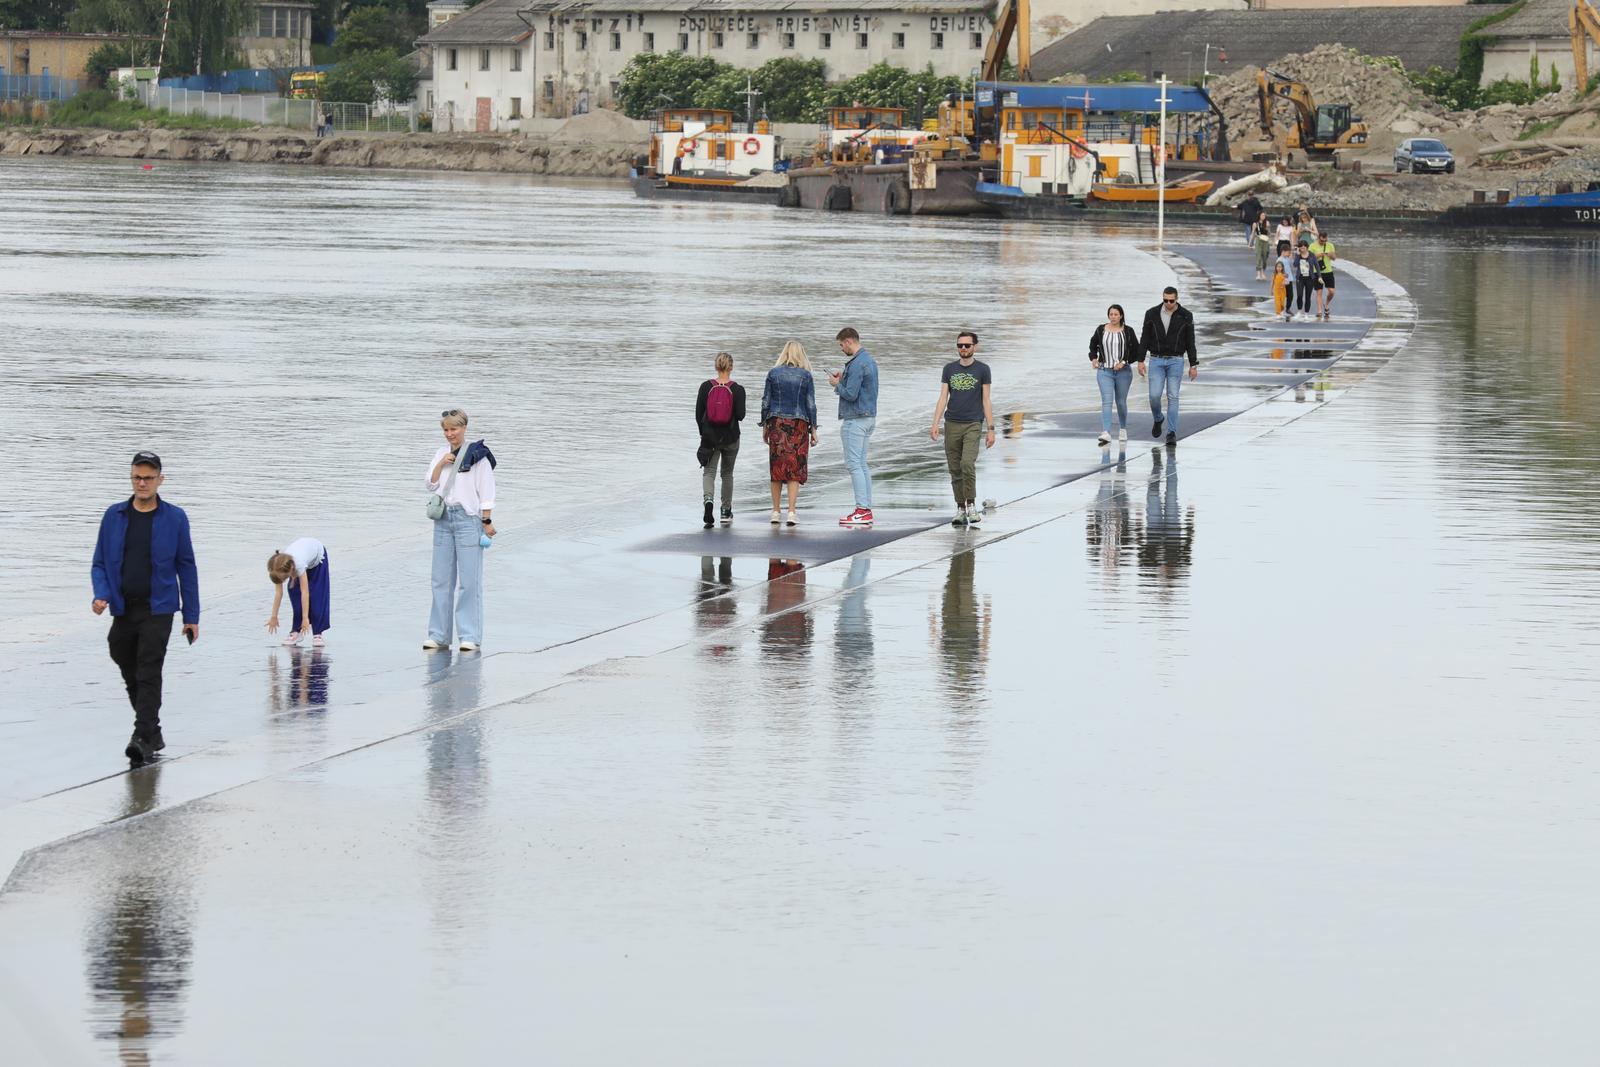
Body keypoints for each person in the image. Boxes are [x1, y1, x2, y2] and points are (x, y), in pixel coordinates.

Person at [90, 451, 200, 764]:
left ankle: (141, 737)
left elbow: (186, 566)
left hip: (160, 608)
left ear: (160, 480)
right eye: (137, 477)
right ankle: (153, 730)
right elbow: (99, 563)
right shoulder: (114, 515)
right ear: (131, 478)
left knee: (149, 668)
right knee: (121, 655)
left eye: (148, 478)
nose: (142, 483)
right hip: (124, 607)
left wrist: (191, 616)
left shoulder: (174, 517)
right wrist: (101, 595)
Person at [425, 408, 497, 652]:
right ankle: (438, 635)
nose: (449, 434)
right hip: (443, 518)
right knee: (440, 580)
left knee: (469, 581)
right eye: (445, 429)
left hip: (468, 519)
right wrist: (441, 464)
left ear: (464, 428)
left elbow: (486, 491)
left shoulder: (478, 455)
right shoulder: (440, 453)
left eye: (453, 429)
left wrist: (486, 522)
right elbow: (430, 484)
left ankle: (470, 636)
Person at [929, 329, 995, 527]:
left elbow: (986, 399)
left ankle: (972, 505)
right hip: (951, 423)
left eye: (967, 345)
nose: (963, 349)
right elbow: (943, 398)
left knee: (967, 463)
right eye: (960, 345)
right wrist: (935, 423)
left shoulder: (983, 369)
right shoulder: (949, 369)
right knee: (955, 468)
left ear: (975, 347)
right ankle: (960, 507)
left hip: (973, 423)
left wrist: (991, 429)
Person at [760, 341, 818, 527]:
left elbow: (765, 401)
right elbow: (810, 404)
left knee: (776, 468)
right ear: (801, 355)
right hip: (799, 425)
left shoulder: (773, 373)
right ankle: (792, 512)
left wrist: (764, 425)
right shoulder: (806, 376)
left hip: (777, 423)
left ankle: (776, 511)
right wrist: (814, 429)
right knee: (794, 468)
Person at [828, 326, 879, 528]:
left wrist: (836, 384)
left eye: (842, 345)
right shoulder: (869, 360)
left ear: (849, 341)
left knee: (854, 464)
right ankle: (866, 508)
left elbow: (850, 394)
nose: (842, 349)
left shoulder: (858, 363)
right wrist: (844, 379)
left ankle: (862, 510)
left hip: (856, 419)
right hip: (868, 417)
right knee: (862, 464)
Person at [1138, 286, 1198, 447]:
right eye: (1165, 300)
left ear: (1176, 299)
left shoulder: (1186, 316)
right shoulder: (1151, 314)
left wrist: (1193, 364)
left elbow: (1190, 342)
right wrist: (1140, 360)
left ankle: (1171, 432)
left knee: (1173, 396)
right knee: (1154, 396)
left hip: (1176, 361)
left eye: (1171, 300)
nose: (1168, 303)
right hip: (1156, 360)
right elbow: (1144, 337)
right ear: (1162, 298)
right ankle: (1158, 418)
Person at [695, 352, 747, 528]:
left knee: (709, 473)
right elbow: (740, 415)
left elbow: (698, 414)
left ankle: (708, 503)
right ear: (731, 367)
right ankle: (725, 511)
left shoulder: (705, 387)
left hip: (710, 438)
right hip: (731, 437)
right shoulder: (737, 389)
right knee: (727, 474)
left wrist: (704, 434)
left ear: (716, 367)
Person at [1088, 304, 1141, 445]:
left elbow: (1136, 351)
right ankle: (1106, 432)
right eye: (1111, 314)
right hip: (1104, 371)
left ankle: (1123, 428)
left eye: (1116, 314)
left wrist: (1123, 362)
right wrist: (1093, 359)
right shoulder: (1101, 330)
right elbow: (1093, 345)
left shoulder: (1128, 331)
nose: (1113, 317)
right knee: (1106, 401)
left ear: (1121, 316)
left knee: (1121, 402)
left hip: (1123, 372)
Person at [265, 537, 331, 646]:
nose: (285, 580)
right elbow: (278, 593)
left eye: (285, 578)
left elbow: (305, 592)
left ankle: (317, 634)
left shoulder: (298, 564)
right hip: (302, 558)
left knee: (317, 595)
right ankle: (296, 631)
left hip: (317, 560)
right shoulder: (276, 567)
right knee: (294, 593)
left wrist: (305, 618)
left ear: (290, 570)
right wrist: (274, 616)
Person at [1309, 227, 1337, 319]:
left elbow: (1334, 258)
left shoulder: (1330, 245)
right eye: (1321, 241)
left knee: (1332, 291)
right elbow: (1309, 259)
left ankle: (1327, 304)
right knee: (1319, 292)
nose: (1323, 242)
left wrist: (1331, 255)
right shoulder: (1312, 246)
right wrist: (1318, 255)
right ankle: (1319, 311)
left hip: (1328, 270)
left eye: (1325, 240)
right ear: (1318, 238)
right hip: (1316, 271)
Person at [1292, 238, 1318, 321]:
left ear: (1307, 247)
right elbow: (1295, 265)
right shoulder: (1298, 255)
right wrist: (1297, 255)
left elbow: (1316, 266)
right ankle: (1299, 312)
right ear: (1299, 248)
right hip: (1300, 277)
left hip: (1310, 278)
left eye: (1304, 247)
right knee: (1299, 295)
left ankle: (1306, 314)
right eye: (1301, 247)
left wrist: (1319, 276)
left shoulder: (1312, 255)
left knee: (1308, 296)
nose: (1302, 249)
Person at [1252, 210, 1273, 281]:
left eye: (1264, 215)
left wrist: (1267, 228)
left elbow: (1269, 233)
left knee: (1265, 256)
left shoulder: (1267, 223)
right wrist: (1250, 243)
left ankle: (1263, 272)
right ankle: (1258, 274)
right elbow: (1253, 234)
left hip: (1266, 241)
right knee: (1258, 256)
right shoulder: (1255, 224)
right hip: (1258, 240)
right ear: (1259, 216)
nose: (1263, 216)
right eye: (1262, 215)